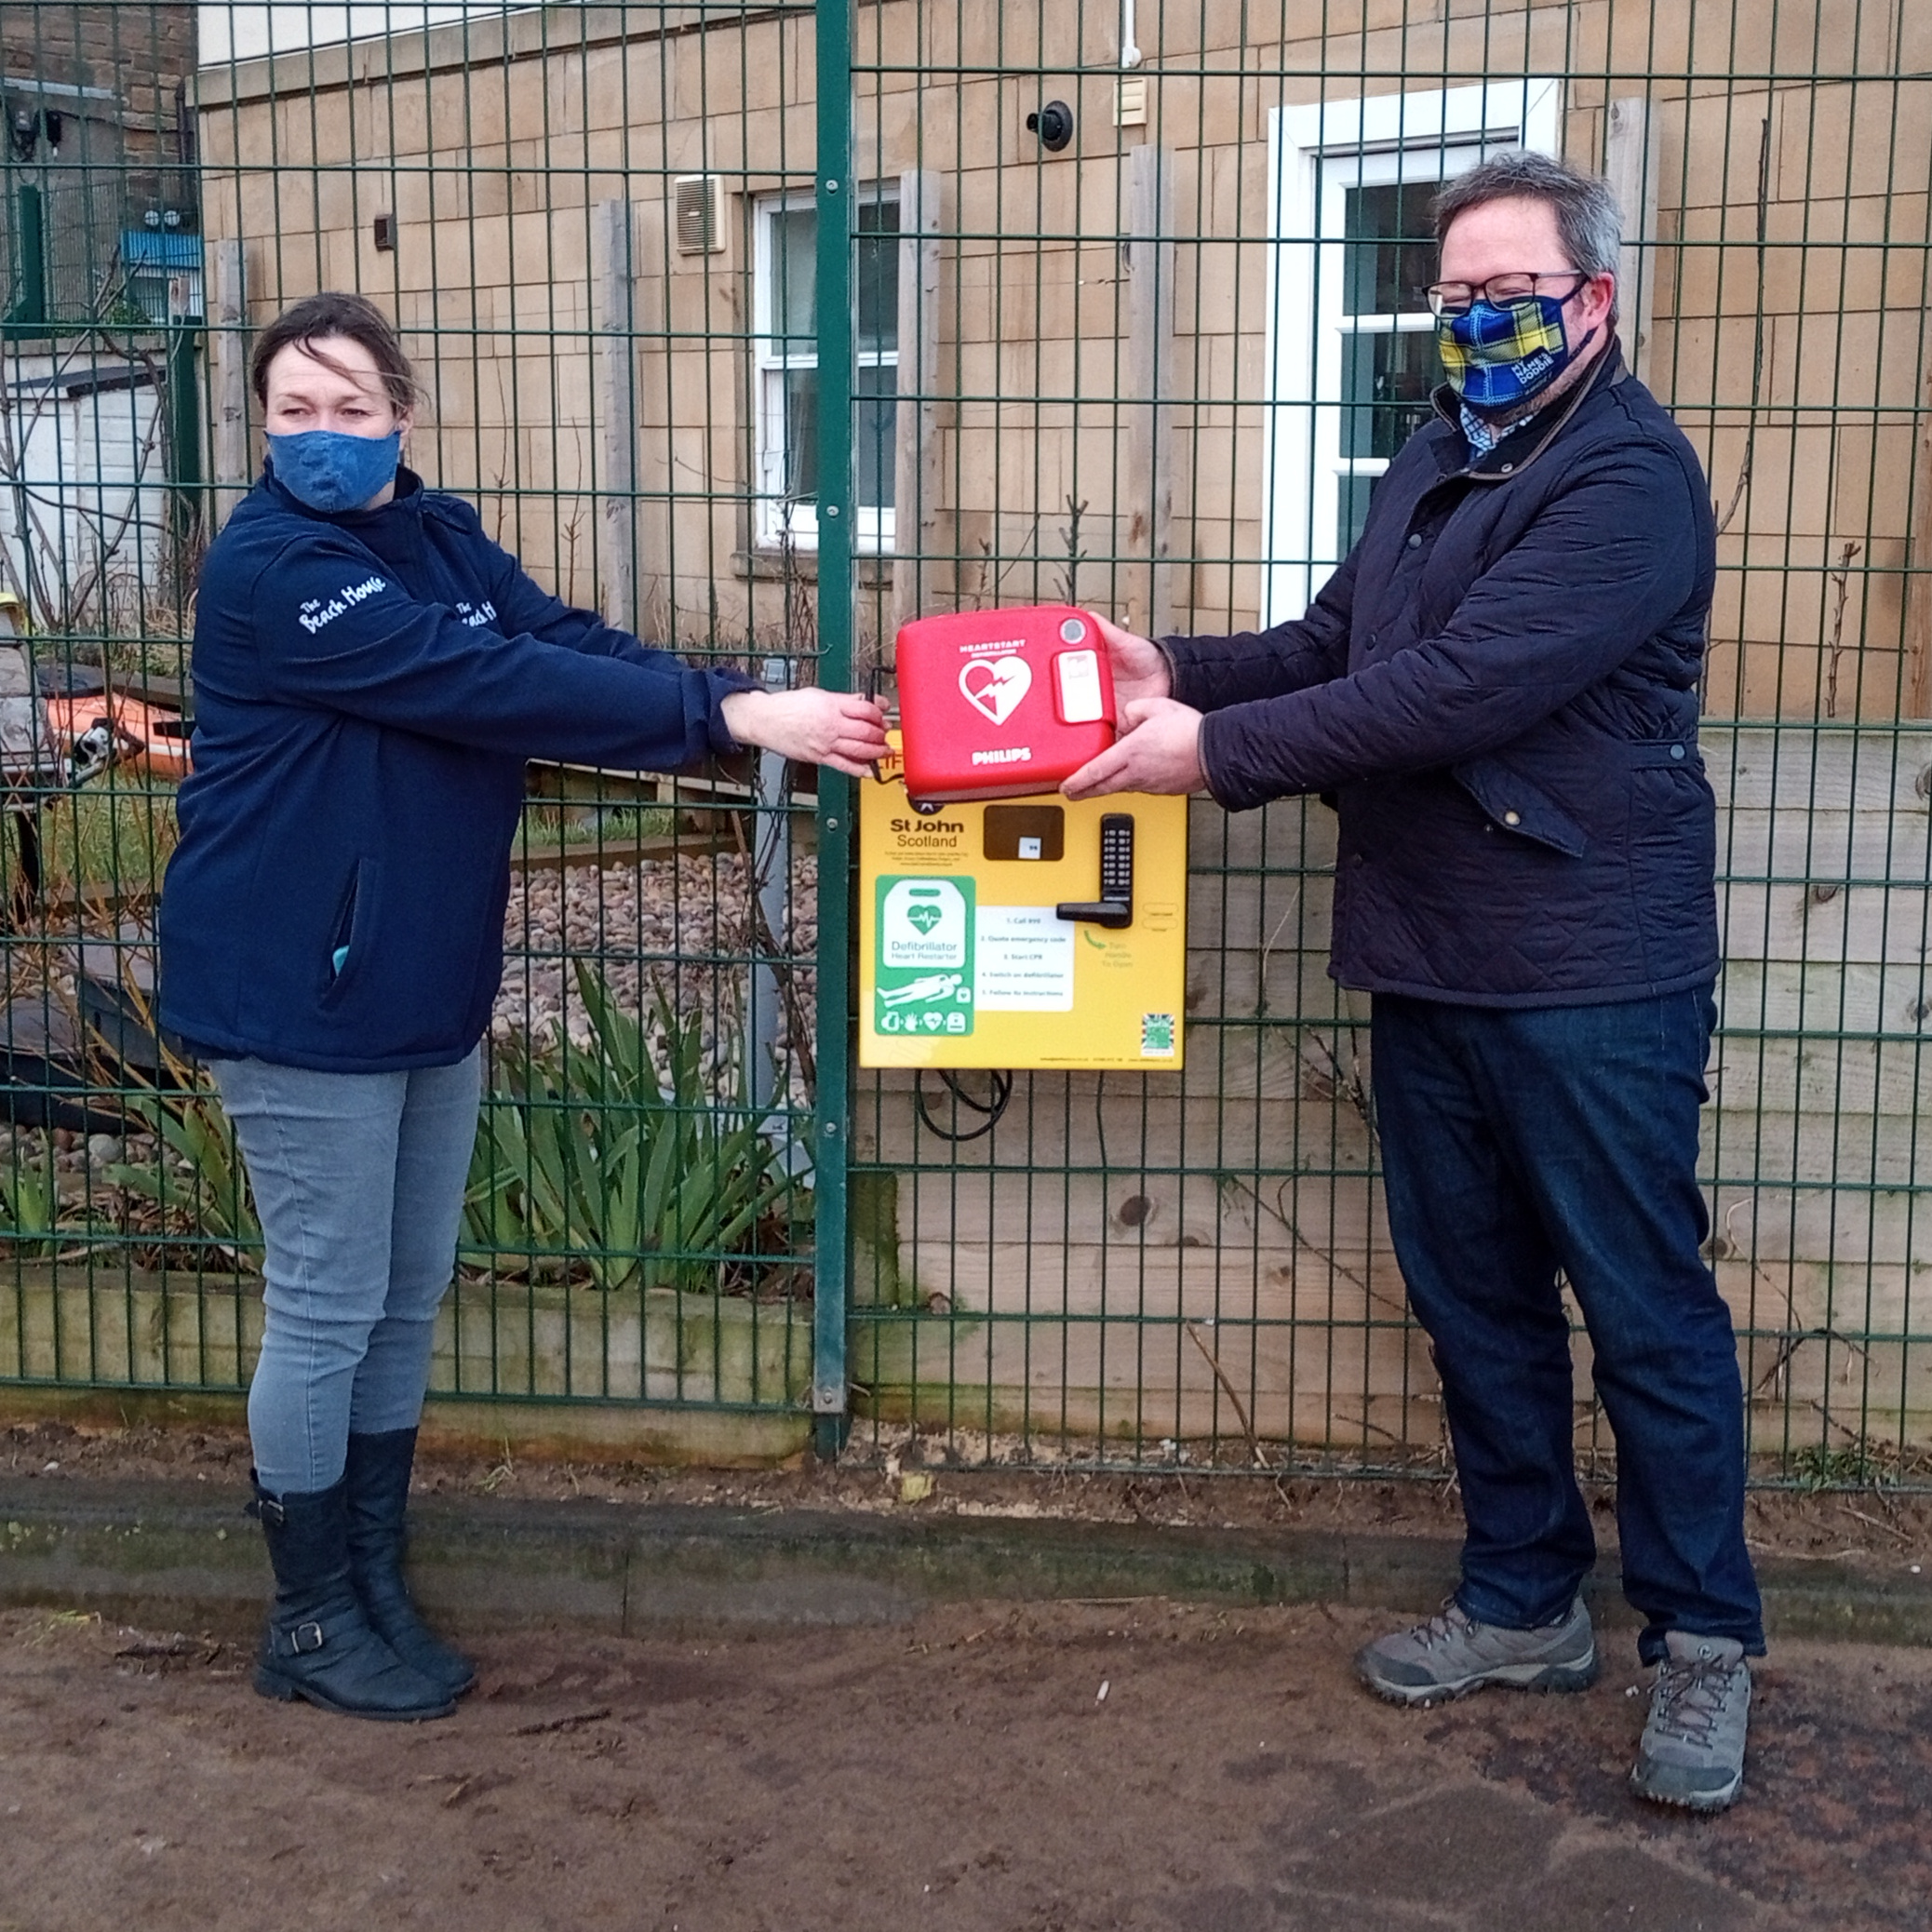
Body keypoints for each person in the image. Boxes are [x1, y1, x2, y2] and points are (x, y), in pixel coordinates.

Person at [1065, 152, 1762, 1812]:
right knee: (1478, 1304)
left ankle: (1705, 1644)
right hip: (1434, 951)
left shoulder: (1630, 484)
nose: (1472, 323)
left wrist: (1210, 755)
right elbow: (1340, 647)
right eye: (1452, 298)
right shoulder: (1440, 452)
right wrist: (1188, 670)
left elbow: (1455, 690)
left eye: (1507, 295)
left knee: (1645, 1311)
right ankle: (1525, 1603)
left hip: (1590, 964)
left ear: (1593, 301)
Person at [157, 291, 887, 1723]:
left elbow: (560, 637)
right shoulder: (272, 568)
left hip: (421, 981)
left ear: (402, 414)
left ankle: (370, 1580)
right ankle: (307, 1620)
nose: (320, 436)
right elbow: (480, 680)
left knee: (403, 1297)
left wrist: (746, 693)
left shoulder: (438, 541)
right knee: (324, 1305)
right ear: (259, 427)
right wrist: (729, 724)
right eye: (290, 412)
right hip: (292, 989)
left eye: (349, 407)